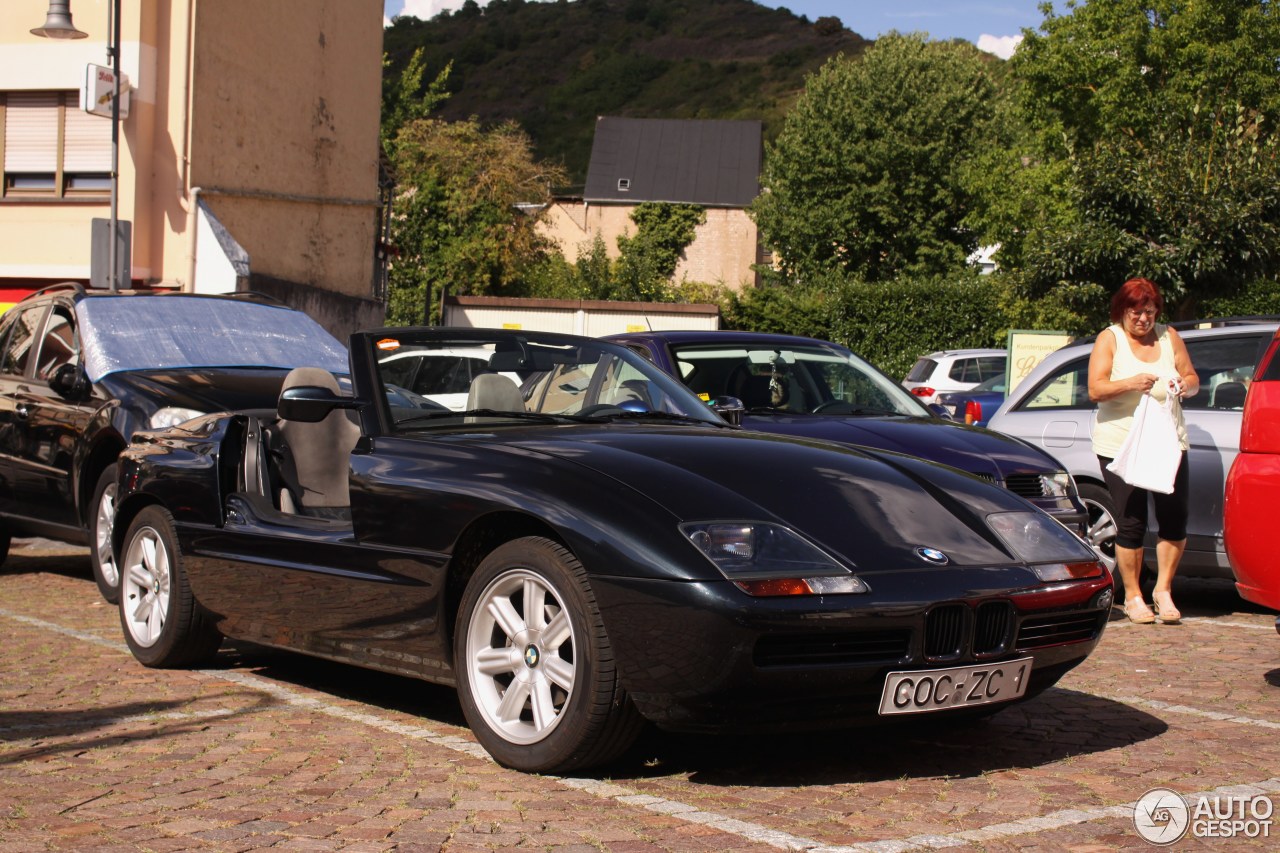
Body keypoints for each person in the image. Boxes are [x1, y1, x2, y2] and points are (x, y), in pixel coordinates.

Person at [1088, 278, 1199, 624]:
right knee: (1131, 520)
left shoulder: (1170, 337)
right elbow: (1095, 388)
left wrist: (1184, 384)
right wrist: (1131, 383)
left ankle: (1163, 589)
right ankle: (1134, 595)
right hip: (1120, 443)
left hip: (1168, 442)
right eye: (1136, 313)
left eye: (1150, 313)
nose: (1143, 320)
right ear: (1122, 311)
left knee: (1174, 515)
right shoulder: (1110, 339)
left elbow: (1193, 377)